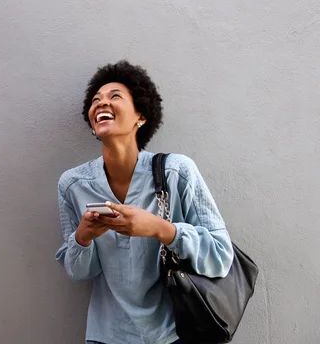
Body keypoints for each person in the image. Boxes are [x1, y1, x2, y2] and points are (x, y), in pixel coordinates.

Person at [55, 60, 234, 344]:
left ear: (140, 115)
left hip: (174, 334)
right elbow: (78, 273)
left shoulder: (176, 172)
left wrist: (160, 228)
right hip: (107, 335)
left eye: (114, 96)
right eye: (95, 100)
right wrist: (83, 237)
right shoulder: (73, 185)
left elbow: (221, 258)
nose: (101, 103)